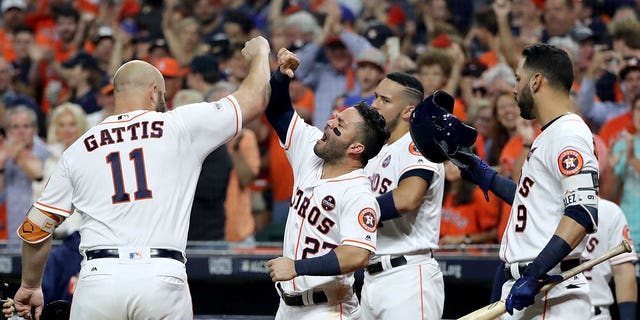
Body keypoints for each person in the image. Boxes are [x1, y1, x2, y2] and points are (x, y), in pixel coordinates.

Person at [11, 36, 271, 319]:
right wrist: (260, 53)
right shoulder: (178, 125)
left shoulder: (79, 147)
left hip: (99, 278)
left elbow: (37, 227)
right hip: (160, 276)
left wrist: (30, 285)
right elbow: (255, 99)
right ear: (154, 92)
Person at [410, 43, 599, 319]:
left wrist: (536, 272)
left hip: (550, 292)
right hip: (527, 286)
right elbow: (532, 201)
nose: (514, 88)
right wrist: (482, 173)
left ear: (536, 81)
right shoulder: (549, 134)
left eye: (518, 79)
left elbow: (582, 213)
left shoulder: (568, 134)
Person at [266, 48, 389, 319]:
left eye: (340, 125)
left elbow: (356, 255)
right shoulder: (312, 149)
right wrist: (281, 77)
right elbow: (278, 112)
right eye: (335, 116)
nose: (329, 122)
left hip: (328, 308)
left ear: (356, 147)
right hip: (286, 306)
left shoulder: (358, 193)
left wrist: (298, 267)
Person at [360, 73, 446, 319]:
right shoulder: (377, 151)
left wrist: (355, 210)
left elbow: (408, 197)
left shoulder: (418, 144)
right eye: (375, 96)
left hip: (407, 275)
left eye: (384, 100)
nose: (374, 104)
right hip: (372, 276)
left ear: (408, 111)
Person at [583, 199, 637, 320]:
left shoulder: (608, 211)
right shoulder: (543, 210)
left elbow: (623, 272)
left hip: (595, 313)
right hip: (546, 311)